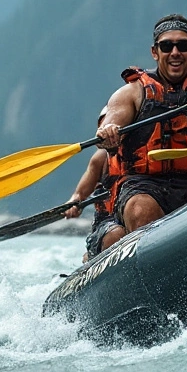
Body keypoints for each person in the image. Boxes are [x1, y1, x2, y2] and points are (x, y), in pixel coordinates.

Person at [96, 13, 187, 233]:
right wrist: (109, 131)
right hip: (145, 185)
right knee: (141, 210)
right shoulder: (132, 93)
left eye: (183, 46)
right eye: (166, 46)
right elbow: (112, 121)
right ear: (155, 52)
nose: (175, 53)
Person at [66, 111, 126, 261]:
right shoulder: (100, 159)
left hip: (132, 216)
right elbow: (79, 195)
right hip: (108, 222)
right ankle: (92, 256)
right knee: (117, 234)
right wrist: (74, 204)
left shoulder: (146, 151)